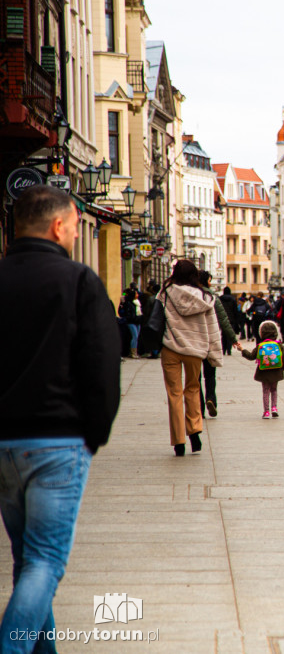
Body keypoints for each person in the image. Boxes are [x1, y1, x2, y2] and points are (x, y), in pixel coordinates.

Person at [0, 185, 121, 650]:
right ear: (57, 226)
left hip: (3, 443)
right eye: (74, 226)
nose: (75, 233)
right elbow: (101, 362)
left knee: (25, 558)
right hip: (56, 441)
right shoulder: (77, 280)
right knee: (46, 561)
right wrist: (95, 433)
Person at [156, 259, 224, 457]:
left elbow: (157, 316)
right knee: (193, 388)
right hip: (195, 349)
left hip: (170, 346)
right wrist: (214, 354)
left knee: (174, 393)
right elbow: (213, 328)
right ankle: (194, 431)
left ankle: (178, 441)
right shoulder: (205, 297)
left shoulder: (166, 292)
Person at [198, 271, 242, 419]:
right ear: (206, 281)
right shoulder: (212, 297)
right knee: (210, 375)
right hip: (210, 340)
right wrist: (233, 339)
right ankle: (211, 399)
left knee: (195, 378)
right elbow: (223, 319)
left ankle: (199, 407)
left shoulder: (190, 296)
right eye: (210, 280)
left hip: (193, 342)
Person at [241, 320, 284, 418]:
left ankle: (266, 412)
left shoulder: (260, 346)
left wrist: (242, 350)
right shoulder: (278, 345)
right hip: (276, 371)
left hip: (264, 372)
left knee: (265, 391)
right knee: (274, 390)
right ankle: (274, 408)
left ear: (261, 333)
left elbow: (251, 356)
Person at [119, 288, 144, 358]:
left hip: (137, 321)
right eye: (136, 294)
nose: (138, 295)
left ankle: (134, 351)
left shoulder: (137, 302)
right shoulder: (127, 301)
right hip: (131, 322)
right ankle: (133, 352)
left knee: (136, 337)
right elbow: (128, 313)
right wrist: (124, 294)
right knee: (135, 336)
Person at [219, 286, 243, 352]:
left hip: (222, 318)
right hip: (231, 319)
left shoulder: (220, 299)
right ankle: (229, 350)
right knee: (230, 334)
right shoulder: (233, 299)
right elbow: (235, 311)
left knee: (223, 334)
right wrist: (237, 320)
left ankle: (223, 349)